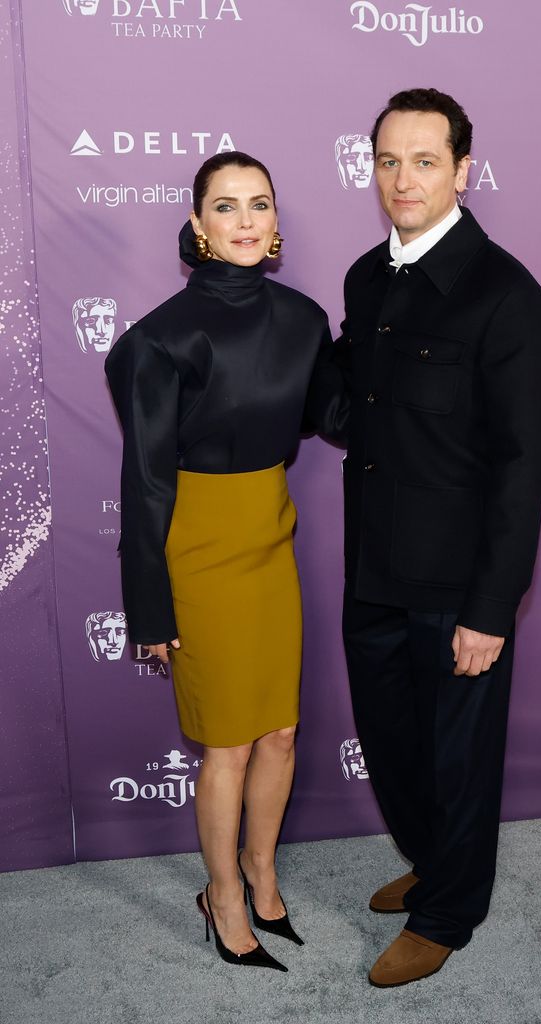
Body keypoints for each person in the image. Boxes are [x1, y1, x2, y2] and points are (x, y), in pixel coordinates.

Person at [105, 151, 346, 973]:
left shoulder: (307, 321)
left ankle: (261, 871)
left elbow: (336, 417)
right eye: (226, 206)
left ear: (277, 224)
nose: (245, 220)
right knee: (229, 747)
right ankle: (223, 896)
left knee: (279, 731)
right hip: (196, 550)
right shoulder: (160, 341)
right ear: (199, 227)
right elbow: (143, 485)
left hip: (270, 538)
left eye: (259, 204)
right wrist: (149, 608)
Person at [335, 88, 541, 987]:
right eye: (388, 159)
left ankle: (450, 910)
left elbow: (519, 464)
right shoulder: (362, 276)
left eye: (424, 160)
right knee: (394, 744)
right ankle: (435, 858)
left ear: (463, 169)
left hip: (459, 582)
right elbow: (354, 407)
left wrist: (490, 607)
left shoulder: (507, 295)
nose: (403, 179)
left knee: (460, 756)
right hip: (374, 569)